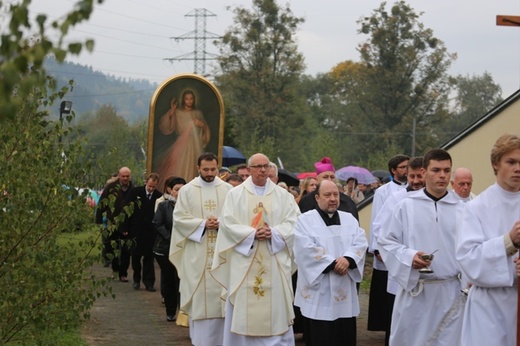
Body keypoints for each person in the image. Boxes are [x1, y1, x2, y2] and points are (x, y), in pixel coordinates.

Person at [377, 149, 464, 346]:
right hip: (417, 292)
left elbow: (471, 250)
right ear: (424, 172)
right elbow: (385, 241)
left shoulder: (462, 209)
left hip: (451, 293)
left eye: (446, 170)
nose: (442, 175)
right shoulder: (405, 206)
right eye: (436, 170)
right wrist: (409, 257)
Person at [211, 153, 299, 346]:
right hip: (245, 261)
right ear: (249, 170)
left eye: (265, 166)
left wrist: (274, 233)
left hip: (274, 260)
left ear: (270, 169)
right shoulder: (235, 195)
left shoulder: (283, 196)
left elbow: (294, 223)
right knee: (244, 308)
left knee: (276, 310)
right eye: (258, 166)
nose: (262, 170)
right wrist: (251, 234)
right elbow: (227, 224)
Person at [456, 134, 520, 346]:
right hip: (489, 309)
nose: (517, 168)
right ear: (495, 163)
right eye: (511, 162)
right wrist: (508, 243)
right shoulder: (476, 208)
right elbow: (468, 260)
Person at [294, 180, 368, 346]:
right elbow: (304, 248)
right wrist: (333, 263)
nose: (333, 199)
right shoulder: (305, 220)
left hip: (344, 287)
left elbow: (361, 242)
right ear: (317, 197)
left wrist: (348, 259)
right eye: (327, 195)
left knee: (344, 333)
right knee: (321, 335)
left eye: (336, 195)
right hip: (320, 289)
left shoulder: (349, 219)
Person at [170, 153, 232, 346]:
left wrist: (220, 222)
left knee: (222, 303)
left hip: (222, 255)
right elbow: (179, 220)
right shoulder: (188, 191)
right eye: (205, 169)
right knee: (200, 304)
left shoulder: (228, 190)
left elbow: (235, 218)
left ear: (218, 167)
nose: (210, 173)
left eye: (213, 169)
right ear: (198, 168)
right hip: (197, 254)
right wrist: (203, 224)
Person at [370, 157, 425, 345]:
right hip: (402, 270)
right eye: (412, 176)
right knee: (399, 323)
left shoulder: (436, 198)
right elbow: (379, 230)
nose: (416, 181)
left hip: (431, 276)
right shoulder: (396, 199)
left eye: (420, 176)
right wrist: (402, 255)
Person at [367, 154, 409, 334]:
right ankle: (385, 324)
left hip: (404, 247)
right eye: (403, 167)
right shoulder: (384, 191)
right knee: (386, 290)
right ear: (393, 170)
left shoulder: (413, 189)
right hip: (386, 247)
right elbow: (377, 219)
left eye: (408, 167)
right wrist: (377, 248)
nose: (406, 170)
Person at [157, 89, 210, 185]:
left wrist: (202, 125)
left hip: (195, 145)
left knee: (194, 167)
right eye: (187, 99)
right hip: (181, 144)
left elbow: (205, 130)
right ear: (183, 100)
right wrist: (172, 112)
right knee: (180, 166)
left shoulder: (197, 113)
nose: (189, 101)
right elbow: (166, 126)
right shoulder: (178, 112)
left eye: (191, 99)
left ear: (194, 100)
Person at [153, 176, 186, 322]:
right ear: (170, 191)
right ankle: (170, 310)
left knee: (181, 280)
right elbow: (158, 224)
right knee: (169, 279)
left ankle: (183, 311)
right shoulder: (164, 206)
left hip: (185, 248)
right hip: (165, 248)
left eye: (182, 189)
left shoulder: (189, 207)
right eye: (176, 189)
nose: (179, 192)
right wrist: (171, 237)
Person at [121, 173, 162, 291]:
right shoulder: (135, 192)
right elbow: (126, 209)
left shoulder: (158, 197)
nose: (151, 189)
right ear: (146, 182)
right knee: (136, 257)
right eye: (149, 186)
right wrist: (124, 228)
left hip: (150, 232)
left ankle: (149, 282)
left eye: (153, 187)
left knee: (149, 258)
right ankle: (136, 279)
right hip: (136, 230)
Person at [95, 167, 133, 280]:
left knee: (126, 249)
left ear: (130, 177)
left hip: (127, 224)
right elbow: (102, 203)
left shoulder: (134, 189)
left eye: (127, 176)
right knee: (111, 247)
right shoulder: (111, 187)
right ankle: (115, 269)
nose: (125, 178)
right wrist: (98, 219)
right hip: (113, 223)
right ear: (119, 176)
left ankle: (123, 273)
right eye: (123, 176)